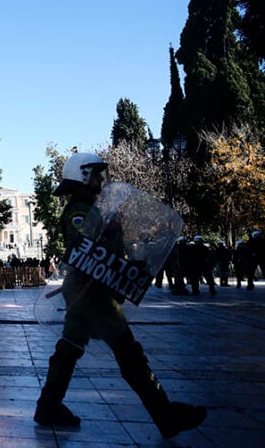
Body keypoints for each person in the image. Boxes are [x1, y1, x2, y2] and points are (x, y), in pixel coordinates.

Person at [33, 152, 206, 439]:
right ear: (84, 174)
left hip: (86, 290)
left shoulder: (91, 207)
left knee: (69, 348)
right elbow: (84, 248)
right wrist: (117, 267)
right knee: (128, 351)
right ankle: (165, 416)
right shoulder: (80, 209)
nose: (103, 179)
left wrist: (126, 266)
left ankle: (48, 406)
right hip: (93, 292)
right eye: (98, 173)